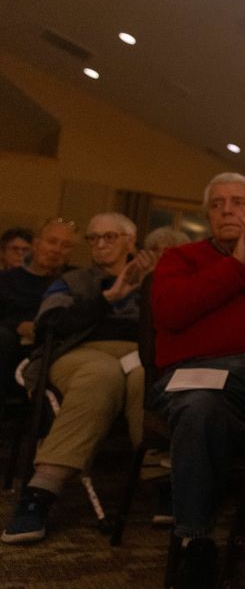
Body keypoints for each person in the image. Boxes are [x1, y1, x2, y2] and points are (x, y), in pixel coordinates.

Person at [150, 173, 245, 588]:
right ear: (207, 215)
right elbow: (172, 313)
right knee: (200, 405)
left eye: (238, 202)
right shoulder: (181, 259)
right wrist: (236, 266)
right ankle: (196, 541)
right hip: (199, 372)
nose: (227, 210)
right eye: (218, 203)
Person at [2, 213, 156, 544]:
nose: (100, 244)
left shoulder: (153, 280)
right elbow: (49, 324)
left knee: (145, 375)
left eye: (110, 237)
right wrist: (107, 299)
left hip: (137, 353)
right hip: (78, 352)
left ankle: (161, 480)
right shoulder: (73, 281)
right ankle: (40, 491)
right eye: (93, 238)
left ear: (130, 242)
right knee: (102, 374)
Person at [0, 219, 77, 405]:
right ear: (35, 244)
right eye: (52, 242)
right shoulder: (6, 280)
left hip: (53, 347)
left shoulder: (74, 284)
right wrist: (17, 325)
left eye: (65, 245)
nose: (57, 250)